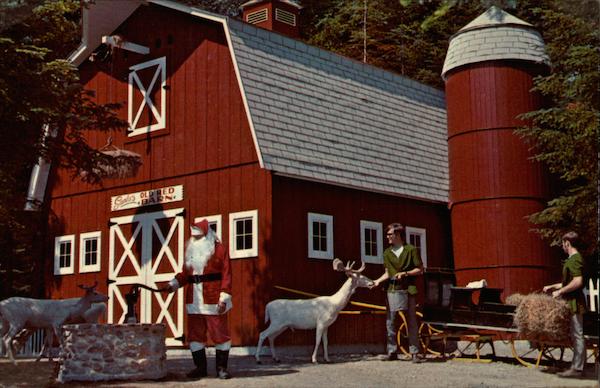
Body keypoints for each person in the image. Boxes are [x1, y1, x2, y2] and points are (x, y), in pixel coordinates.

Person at [164, 219, 233, 379]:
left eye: (198, 236)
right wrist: (173, 284)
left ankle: (221, 368)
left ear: (207, 235)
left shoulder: (220, 250)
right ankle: (200, 368)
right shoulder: (191, 252)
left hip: (213, 298)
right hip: (194, 299)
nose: (195, 239)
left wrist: (224, 296)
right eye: (193, 237)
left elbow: (227, 275)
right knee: (195, 335)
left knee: (219, 333)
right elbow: (184, 274)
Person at [370, 223, 424, 363]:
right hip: (392, 289)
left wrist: (405, 273)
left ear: (398, 235)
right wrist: (377, 281)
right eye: (387, 234)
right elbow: (388, 273)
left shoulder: (411, 249)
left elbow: (420, 269)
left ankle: (414, 353)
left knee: (411, 321)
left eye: (390, 234)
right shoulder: (387, 253)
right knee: (390, 321)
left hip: (409, 289)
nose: (387, 237)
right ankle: (392, 351)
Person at [543, 231, 586, 378]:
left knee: (577, 335)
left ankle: (578, 369)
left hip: (575, 303)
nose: (562, 246)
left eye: (563, 243)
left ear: (567, 243)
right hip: (570, 302)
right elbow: (568, 281)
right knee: (575, 336)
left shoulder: (575, 259)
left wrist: (560, 291)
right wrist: (552, 287)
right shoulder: (572, 259)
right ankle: (576, 366)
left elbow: (577, 281)